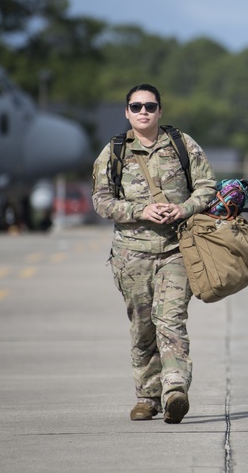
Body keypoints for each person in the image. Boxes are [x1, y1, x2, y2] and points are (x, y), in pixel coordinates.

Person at [91, 84, 216, 424]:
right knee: (143, 327)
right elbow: (101, 201)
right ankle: (147, 397)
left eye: (150, 106)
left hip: (177, 249)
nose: (143, 112)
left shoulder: (182, 144)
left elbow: (207, 186)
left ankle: (174, 389)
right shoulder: (114, 152)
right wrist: (141, 211)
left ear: (160, 111)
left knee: (171, 319)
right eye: (136, 106)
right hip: (132, 255)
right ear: (127, 112)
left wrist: (184, 208)